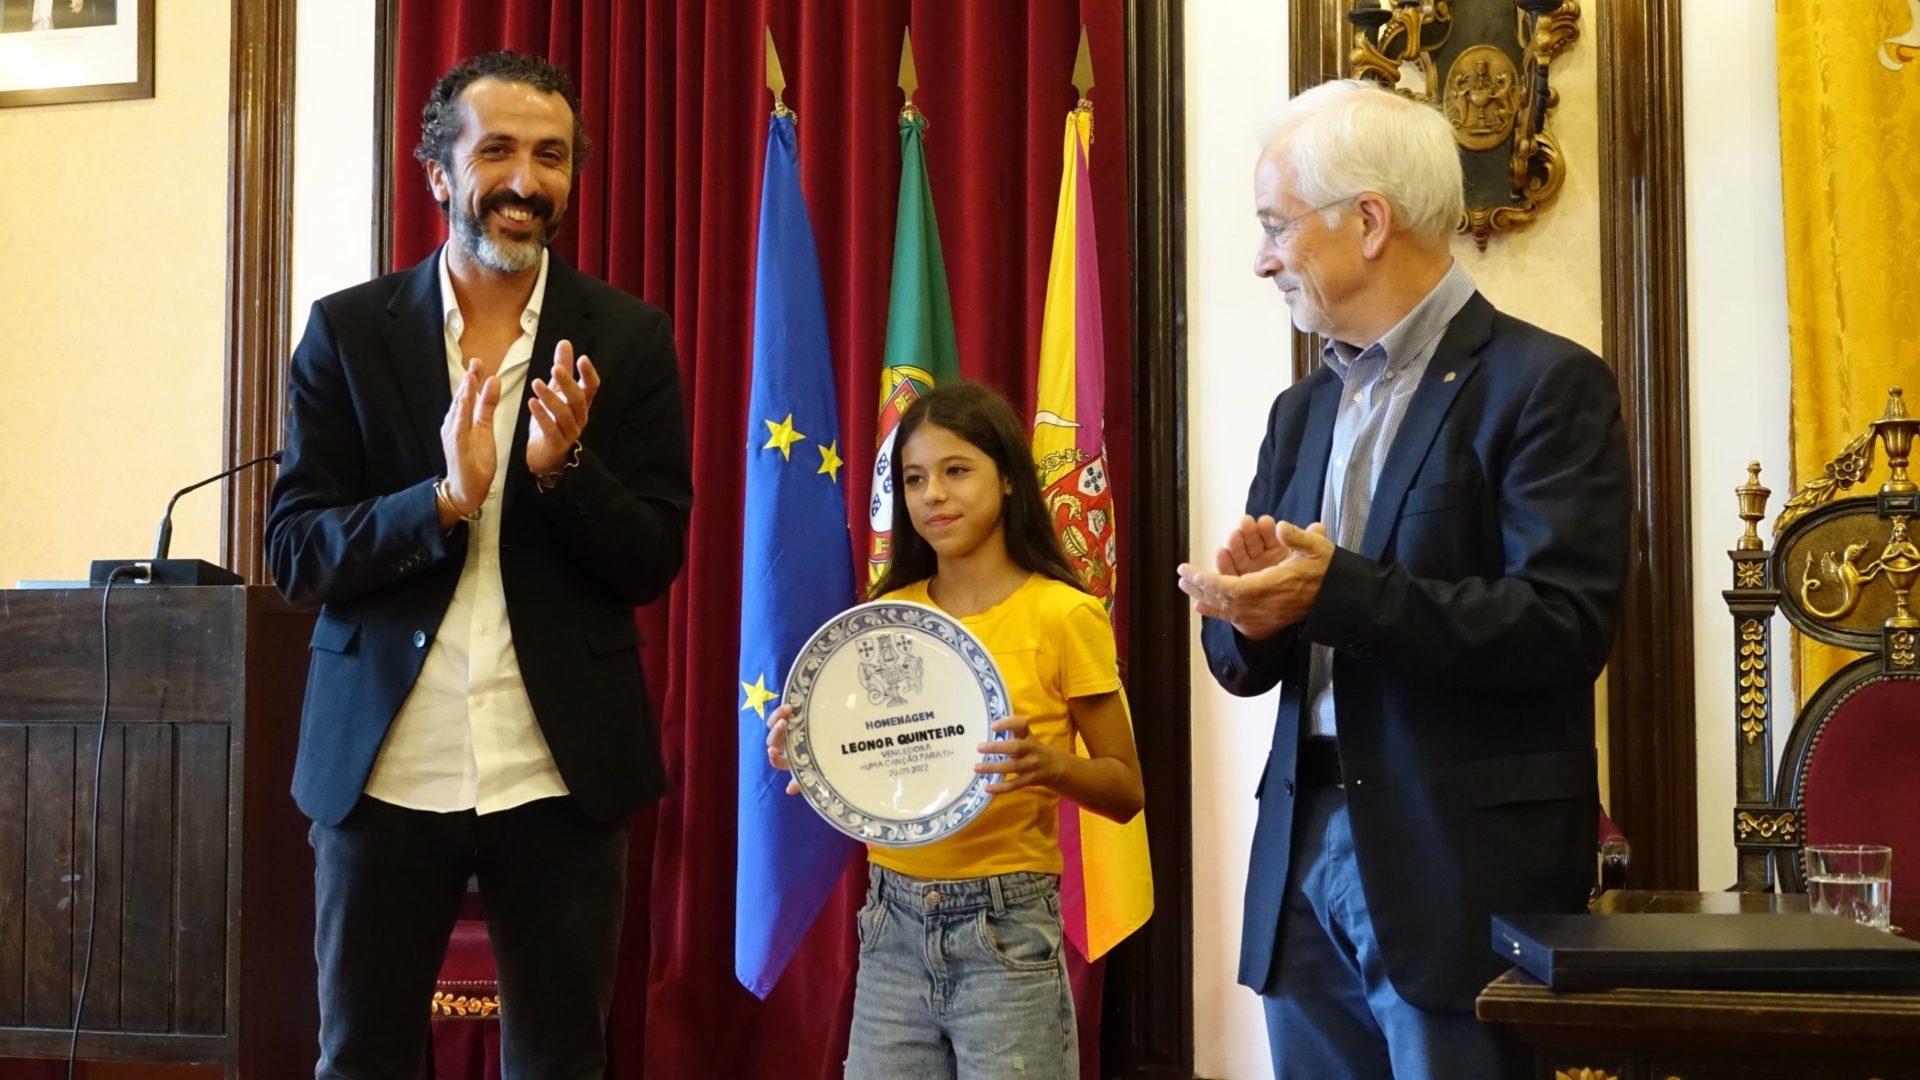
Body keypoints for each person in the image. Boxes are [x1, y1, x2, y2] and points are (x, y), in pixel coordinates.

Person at [1177, 79, 1629, 1079]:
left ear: (1368, 221)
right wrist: (1247, 619)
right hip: (1302, 857)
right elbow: (1244, 661)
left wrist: (1332, 591)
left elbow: (1563, 625)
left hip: (1455, 871)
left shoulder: (1546, 386)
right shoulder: (1300, 413)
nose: (1260, 260)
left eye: (1273, 226)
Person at [265, 50, 691, 1079]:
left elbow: (653, 559)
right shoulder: (349, 333)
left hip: (556, 772)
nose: (526, 179)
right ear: (439, 174)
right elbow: (295, 552)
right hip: (384, 767)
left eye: (551, 156)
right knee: (362, 1058)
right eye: (496, 149)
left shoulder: (627, 339)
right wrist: (442, 500)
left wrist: (566, 469)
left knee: (560, 1062)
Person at [765, 382, 1144, 1080]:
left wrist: (1046, 765)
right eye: (913, 479)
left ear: (1006, 476)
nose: (933, 494)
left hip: (1006, 930)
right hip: (890, 926)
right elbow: (872, 756)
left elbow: (1125, 789)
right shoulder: (885, 620)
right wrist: (810, 753)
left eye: (956, 470)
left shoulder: (1064, 615)